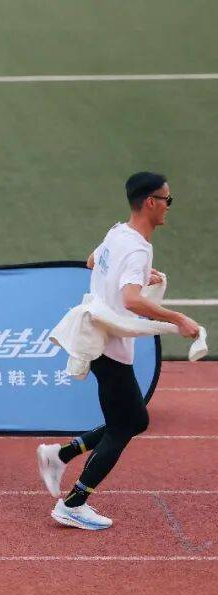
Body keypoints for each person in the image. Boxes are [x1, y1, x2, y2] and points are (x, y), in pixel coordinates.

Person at [37, 172, 200, 530]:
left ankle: (60, 455)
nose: (168, 207)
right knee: (125, 425)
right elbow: (131, 300)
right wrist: (178, 318)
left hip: (100, 340)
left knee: (132, 421)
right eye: (167, 200)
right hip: (109, 347)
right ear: (151, 202)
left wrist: (140, 275)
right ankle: (73, 503)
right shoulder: (138, 248)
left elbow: (91, 261)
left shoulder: (118, 232)